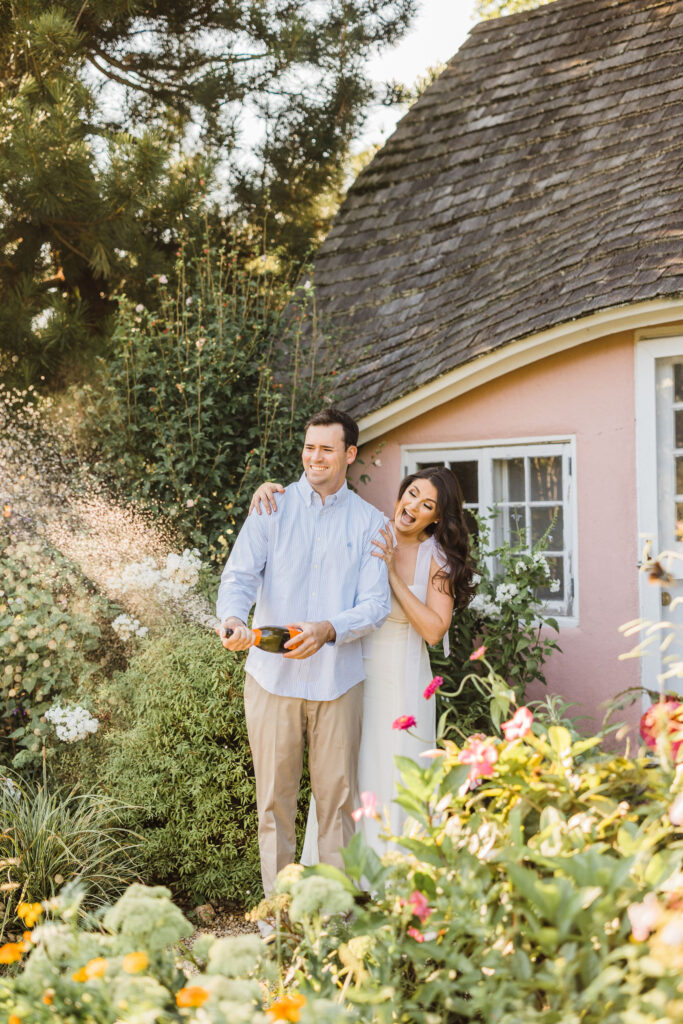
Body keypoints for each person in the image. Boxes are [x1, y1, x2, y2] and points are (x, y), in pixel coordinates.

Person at [250, 465, 475, 855]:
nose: (413, 507)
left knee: (391, 771)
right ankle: (336, 872)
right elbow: (313, 523)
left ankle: (394, 874)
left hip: (400, 681)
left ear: (437, 517)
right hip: (346, 670)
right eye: (412, 494)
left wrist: (391, 574)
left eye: (427, 505)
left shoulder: (436, 559)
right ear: (401, 493)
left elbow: (434, 631)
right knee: (339, 773)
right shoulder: (367, 527)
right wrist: (270, 494)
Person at [216, 407, 391, 904]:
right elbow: (239, 577)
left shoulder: (371, 523)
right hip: (271, 680)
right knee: (274, 803)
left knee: (337, 803)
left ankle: (334, 917)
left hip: (338, 682)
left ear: (349, 454)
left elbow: (375, 605)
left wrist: (328, 629)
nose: (315, 457)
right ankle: (280, 917)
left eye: (326, 449)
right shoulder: (271, 508)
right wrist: (233, 619)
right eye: (309, 447)